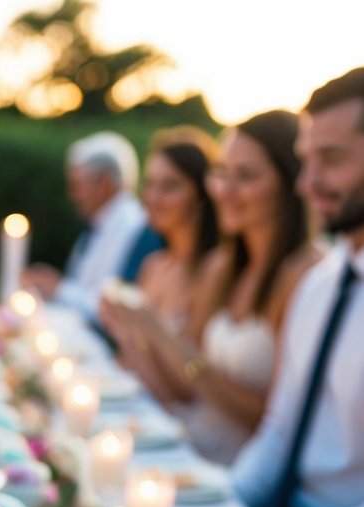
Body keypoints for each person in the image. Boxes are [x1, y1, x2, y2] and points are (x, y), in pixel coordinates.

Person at [107, 110, 321, 465]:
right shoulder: (222, 267)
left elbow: (275, 421)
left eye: (246, 176)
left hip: (239, 469)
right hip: (191, 446)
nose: (225, 190)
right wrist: (131, 333)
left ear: (289, 182)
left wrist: (163, 337)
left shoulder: (304, 275)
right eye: (221, 173)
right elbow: (183, 391)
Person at [233, 67, 364, 507]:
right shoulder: (322, 279)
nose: (306, 184)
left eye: (330, 160)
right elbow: (280, 428)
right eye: (306, 160)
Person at [99, 127, 220, 367]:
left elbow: (188, 386)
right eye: (150, 184)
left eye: (170, 186)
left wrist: (139, 331)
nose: (153, 198)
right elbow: (126, 362)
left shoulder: (212, 271)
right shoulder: (153, 266)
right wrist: (121, 329)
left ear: (201, 195)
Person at [22, 132, 161, 319]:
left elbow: (115, 306)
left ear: (104, 183)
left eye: (77, 185)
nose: (72, 194)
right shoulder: (96, 227)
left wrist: (59, 289)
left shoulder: (136, 228)